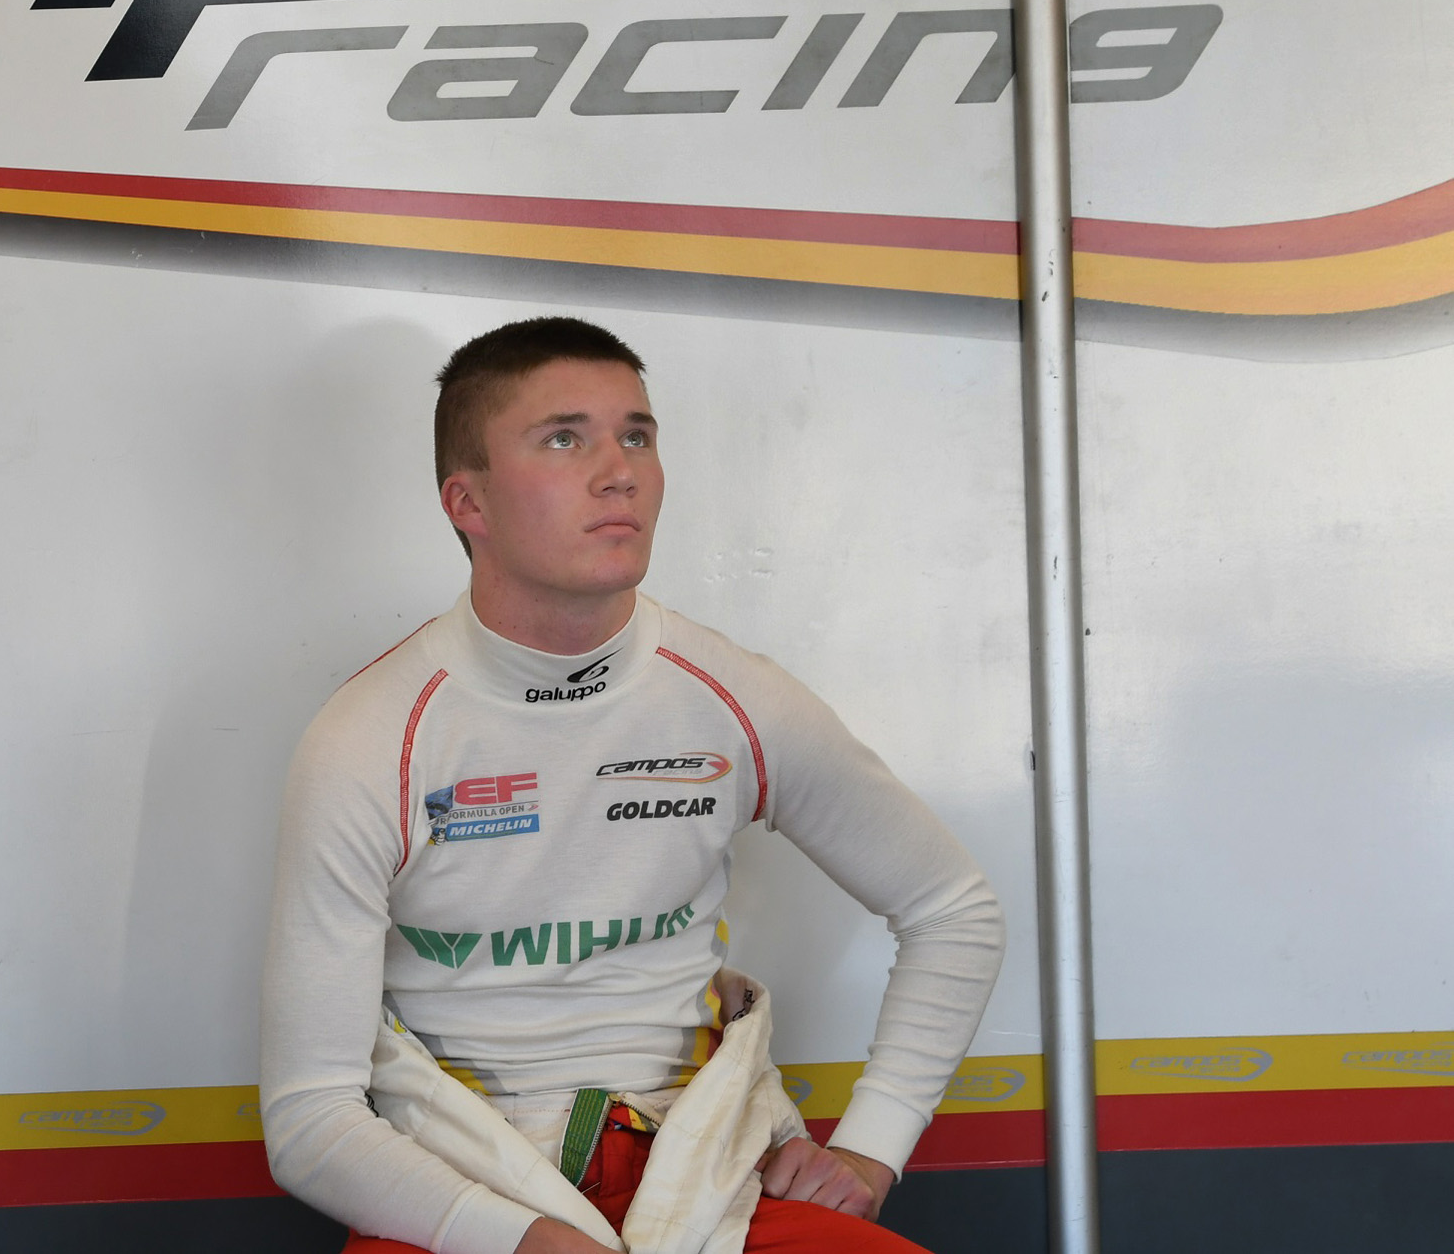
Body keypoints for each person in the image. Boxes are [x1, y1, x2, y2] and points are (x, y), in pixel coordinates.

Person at [258, 317, 1004, 1254]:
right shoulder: (369, 736)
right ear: (468, 500)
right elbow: (311, 1118)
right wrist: (525, 1241)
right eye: (564, 438)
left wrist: (872, 1146)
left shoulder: (731, 695)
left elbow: (953, 909)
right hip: (470, 1197)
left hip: (711, 1186)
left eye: (637, 435)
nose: (620, 472)